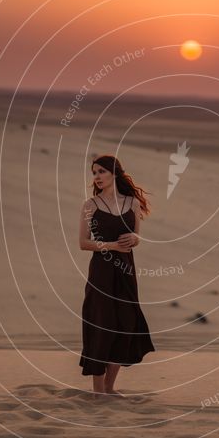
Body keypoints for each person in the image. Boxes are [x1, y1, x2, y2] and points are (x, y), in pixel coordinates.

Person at [78, 154, 155, 396]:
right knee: (102, 326)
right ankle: (98, 391)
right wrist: (111, 246)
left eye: (101, 171)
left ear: (114, 173)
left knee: (126, 324)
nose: (97, 177)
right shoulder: (90, 205)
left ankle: (109, 388)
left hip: (126, 271)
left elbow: (136, 237)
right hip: (101, 273)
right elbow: (83, 243)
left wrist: (136, 239)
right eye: (94, 173)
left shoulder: (132, 203)